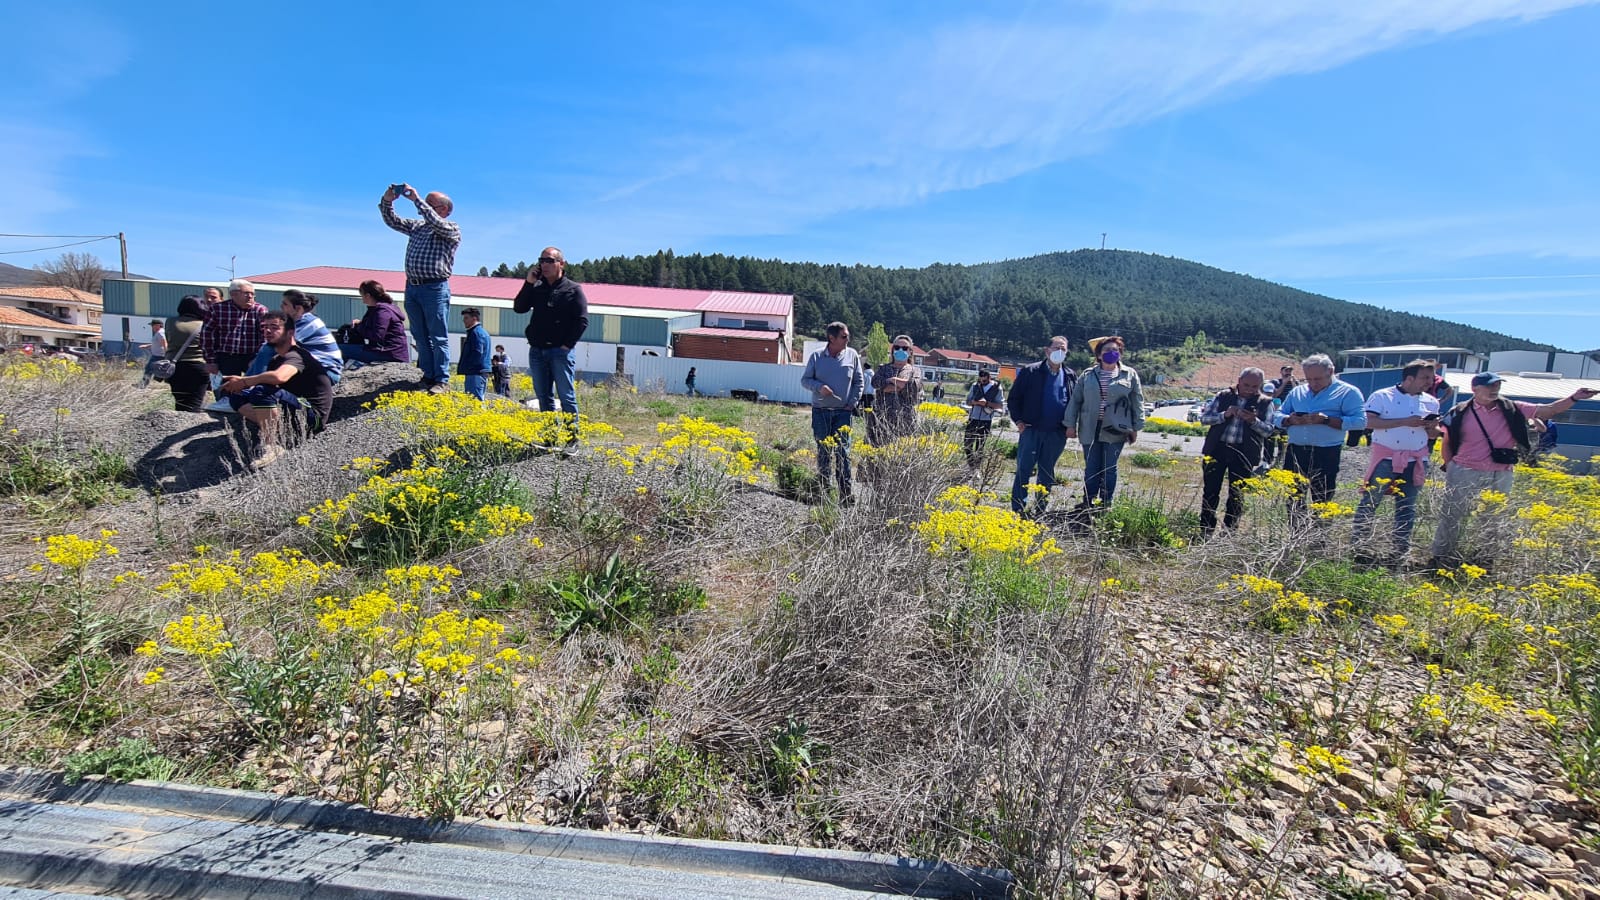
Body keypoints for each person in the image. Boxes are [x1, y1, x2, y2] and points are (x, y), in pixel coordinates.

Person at [1429, 373, 1598, 565]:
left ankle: (1485, 559)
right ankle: (1441, 556)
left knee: (1494, 516)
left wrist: (1574, 397)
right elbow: (1447, 440)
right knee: (1453, 514)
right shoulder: (1459, 411)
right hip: (1464, 470)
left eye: (1498, 385)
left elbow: (1548, 410)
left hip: (1501, 471)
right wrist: (1450, 465)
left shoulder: (1512, 408)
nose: (1495, 389)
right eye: (1490, 386)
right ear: (1475, 389)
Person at [1351, 360, 1441, 563]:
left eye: (1431, 378)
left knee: (1407, 506)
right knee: (1371, 501)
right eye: (1425, 378)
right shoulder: (1383, 396)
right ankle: (1359, 545)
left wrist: (1431, 427)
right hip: (1386, 457)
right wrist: (1404, 422)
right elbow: (1368, 421)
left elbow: (1434, 433)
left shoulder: (1431, 401)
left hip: (1416, 458)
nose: (1429, 382)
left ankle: (1400, 550)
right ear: (1409, 378)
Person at [218, 311, 334, 466]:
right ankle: (280, 429)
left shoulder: (296, 356)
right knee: (238, 396)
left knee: (261, 390)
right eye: (264, 327)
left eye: (274, 327)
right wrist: (239, 385)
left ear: (290, 332)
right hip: (293, 411)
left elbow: (280, 377)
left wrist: (245, 381)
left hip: (313, 417)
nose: (267, 331)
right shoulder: (276, 360)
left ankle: (271, 445)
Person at [380, 182, 460, 394]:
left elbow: (436, 223)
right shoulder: (417, 227)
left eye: (430, 203)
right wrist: (388, 200)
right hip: (413, 287)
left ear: (444, 210)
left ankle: (441, 378)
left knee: (438, 336)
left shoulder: (451, 229)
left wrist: (416, 199)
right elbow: (392, 221)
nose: (423, 206)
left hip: (435, 288)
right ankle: (428, 374)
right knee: (420, 335)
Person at [1273, 354, 1365, 526]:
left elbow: (1360, 422)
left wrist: (1326, 420)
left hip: (1326, 452)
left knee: (1322, 498)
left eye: (1318, 378)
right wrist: (1289, 420)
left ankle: (1319, 540)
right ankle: (1296, 536)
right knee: (1293, 498)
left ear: (1330, 371)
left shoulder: (1348, 392)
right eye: (1309, 379)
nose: (1313, 383)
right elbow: (1277, 415)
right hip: (1296, 451)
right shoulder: (1297, 391)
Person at [1065, 336, 1145, 509]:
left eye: (1116, 350)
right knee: (1091, 467)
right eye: (1107, 350)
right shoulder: (1088, 375)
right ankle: (1089, 501)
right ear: (1099, 355)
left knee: (1110, 468)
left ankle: (1106, 503)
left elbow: (1137, 402)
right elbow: (1075, 401)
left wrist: (1136, 427)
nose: (1112, 353)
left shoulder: (1129, 375)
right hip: (1090, 427)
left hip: (1116, 429)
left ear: (1121, 354)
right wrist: (1070, 424)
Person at [1198, 367, 1275, 536]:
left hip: (1244, 454)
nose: (1249, 390)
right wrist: (1225, 414)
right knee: (1210, 491)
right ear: (1239, 380)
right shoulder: (1223, 396)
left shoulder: (1265, 402)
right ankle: (1205, 529)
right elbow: (1204, 419)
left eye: (1255, 387)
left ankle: (1229, 532)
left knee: (1237, 495)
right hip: (1217, 450)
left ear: (1260, 385)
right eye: (1246, 385)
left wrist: (1254, 421)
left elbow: (1269, 430)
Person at [512, 246, 588, 415]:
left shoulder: (573, 289)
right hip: (538, 351)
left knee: (566, 396)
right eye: (542, 261)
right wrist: (529, 283)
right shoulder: (537, 287)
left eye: (549, 261)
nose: (545, 265)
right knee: (543, 397)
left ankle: (571, 439)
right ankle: (550, 437)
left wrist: (567, 346)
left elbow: (582, 321)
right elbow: (519, 307)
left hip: (560, 352)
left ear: (561, 264)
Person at [1007, 336, 1075, 515]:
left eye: (1063, 349)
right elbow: (1014, 399)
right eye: (1056, 348)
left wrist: (1071, 425)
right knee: (1024, 469)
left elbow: (1075, 403)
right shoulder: (1030, 372)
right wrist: (1019, 421)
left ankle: (1040, 509)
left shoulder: (1069, 375)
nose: (1059, 352)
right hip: (1031, 430)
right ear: (1047, 350)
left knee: (1047, 472)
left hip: (1056, 433)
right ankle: (1018, 509)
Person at [800, 321, 864, 504]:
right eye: (844, 336)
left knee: (843, 452)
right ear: (832, 338)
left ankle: (846, 494)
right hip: (820, 412)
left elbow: (859, 382)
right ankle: (823, 493)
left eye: (847, 336)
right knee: (823, 451)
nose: (848, 339)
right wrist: (819, 387)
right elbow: (805, 380)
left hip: (843, 413)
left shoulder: (852, 356)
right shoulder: (816, 357)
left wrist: (852, 403)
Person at [260, 290, 343, 384]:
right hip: (317, 368)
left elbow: (281, 344)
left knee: (268, 350)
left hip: (326, 372)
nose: (281, 307)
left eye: (285, 304)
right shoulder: (300, 322)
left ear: (298, 309)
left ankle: (250, 386)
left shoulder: (308, 322)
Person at [202, 279, 267, 379]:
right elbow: (207, 335)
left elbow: (265, 336)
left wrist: (258, 358)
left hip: (251, 356)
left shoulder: (260, 310)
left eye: (252, 294)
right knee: (226, 389)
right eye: (246, 293)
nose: (250, 296)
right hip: (226, 357)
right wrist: (210, 361)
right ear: (233, 294)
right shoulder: (218, 309)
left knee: (255, 389)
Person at [339, 280, 411, 365]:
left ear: (368, 295)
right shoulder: (383, 308)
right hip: (392, 352)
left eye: (362, 295)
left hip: (388, 353)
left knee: (337, 350)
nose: (362, 297)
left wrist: (359, 327)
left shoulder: (382, 311)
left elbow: (377, 335)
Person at [870, 334, 922, 443]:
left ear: (910, 351)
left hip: (905, 421)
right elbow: (876, 383)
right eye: (897, 347)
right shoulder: (883, 368)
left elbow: (913, 386)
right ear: (893, 350)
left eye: (905, 348)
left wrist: (891, 380)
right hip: (881, 420)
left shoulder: (915, 371)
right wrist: (901, 385)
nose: (900, 350)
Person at [163, 296, 210, 413]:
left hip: (174, 366)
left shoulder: (170, 321)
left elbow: (169, 340)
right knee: (195, 402)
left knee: (180, 402)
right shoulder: (205, 325)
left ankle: (177, 425)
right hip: (198, 366)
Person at [963, 368, 1004, 466]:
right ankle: (971, 465)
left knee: (980, 446)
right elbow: (968, 401)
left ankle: (976, 468)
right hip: (973, 418)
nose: (982, 382)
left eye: (984, 380)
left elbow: (1000, 405)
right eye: (980, 380)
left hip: (986, 420)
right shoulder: (975, 386)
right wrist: (975, 402)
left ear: (989, 378)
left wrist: (986, 403)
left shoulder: (997, 388)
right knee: (967, 444)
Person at [458, 307, 491, 401]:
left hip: (475, 372)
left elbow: (477, 353)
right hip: (478, 371)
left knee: (474, 400)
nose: (463, 320)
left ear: (474, 318)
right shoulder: (480, 332)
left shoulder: (476, 333)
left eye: (466, 318)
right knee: (476, 399)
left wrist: (468, 366)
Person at [140, 320, 167, 384]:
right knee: (150, 369)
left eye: (153, 325)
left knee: (149, 369)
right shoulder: (160, 332)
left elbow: (164, 344)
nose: (152, 327)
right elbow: (158, 344)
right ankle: (144, 383)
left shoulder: (160, 333)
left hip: (158, 356)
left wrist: (167, 355)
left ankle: (143, 384)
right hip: (157, 355)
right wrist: (147, 346)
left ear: (158, 325)